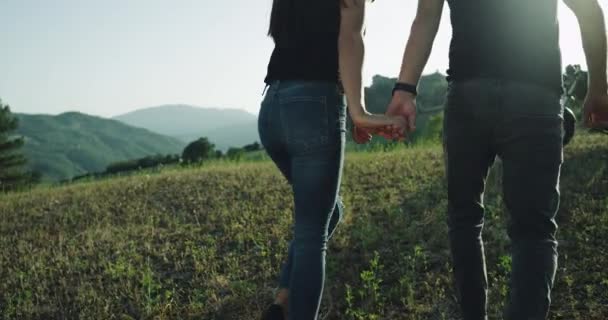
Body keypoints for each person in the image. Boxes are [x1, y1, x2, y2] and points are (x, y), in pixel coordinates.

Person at [386, 0, 608, 319]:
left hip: (468, 94)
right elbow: (588, 10)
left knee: (464, 218)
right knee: (534, 229)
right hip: (536, 96)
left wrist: (405, 89)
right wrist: (598, 90)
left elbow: (426, 17)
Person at [259, 1, 406, 319]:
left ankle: (282, 303)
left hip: (272, 106)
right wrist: (359, 111)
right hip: (313, 104)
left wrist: (354, 107)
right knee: (312, 233)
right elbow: (349, 38)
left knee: (328, 212)